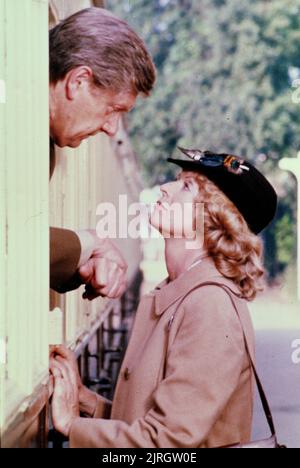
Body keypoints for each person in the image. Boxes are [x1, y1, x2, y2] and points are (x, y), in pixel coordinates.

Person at [50, 147, 277, 448]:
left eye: (185, 187)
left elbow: (167, 442)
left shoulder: (209, 307)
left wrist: (72, 425)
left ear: (213, 220)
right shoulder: (185, 293)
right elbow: (149, 424)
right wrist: (85, 400)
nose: (165, 189)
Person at [49, 7, 156, 297]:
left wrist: (83, 257)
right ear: (78, 81)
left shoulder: (48, 143)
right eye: (113, 109)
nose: (111, 128)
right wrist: (88, 243)